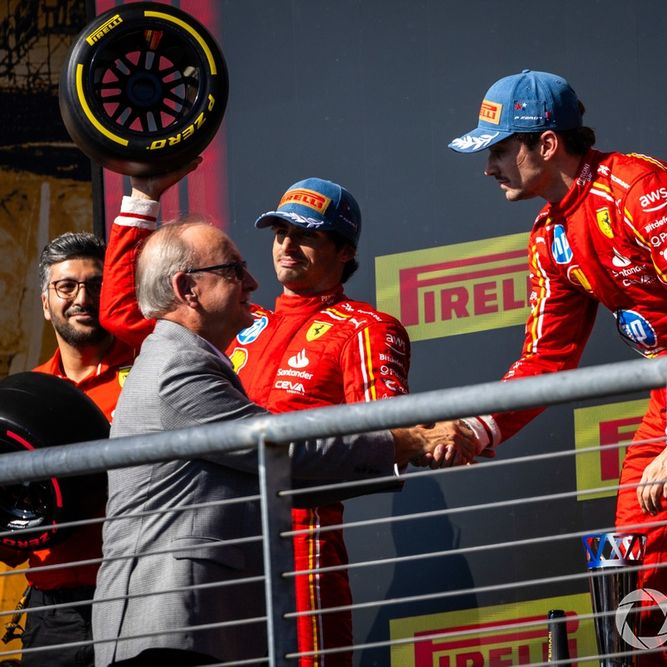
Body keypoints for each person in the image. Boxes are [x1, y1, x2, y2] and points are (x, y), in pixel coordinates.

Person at [447, 70, 667, 666]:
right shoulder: (549, 232)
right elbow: (545, 360)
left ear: (547, 144)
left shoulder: (641, 187)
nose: (488, 168)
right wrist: (479, 429)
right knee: (632, 570)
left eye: (500, 149)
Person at [99, 166, 452, 665]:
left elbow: (387, 427)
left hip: (301, 545)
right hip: (224, 558)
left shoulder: (365, 327)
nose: (286, 246)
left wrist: (419, 439)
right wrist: (143, 197)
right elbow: (123, 311)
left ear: (345, 251)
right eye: (280, 232)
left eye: (305, 236)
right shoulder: (239, 322)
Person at [0, 232, 134, 667]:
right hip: (55, 613)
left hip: (138, 595)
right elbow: (16, 541)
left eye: (96, 285)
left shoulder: (149, 372)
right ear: (46, 303)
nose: (82, 297)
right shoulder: (22, 397)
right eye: (66, 286)